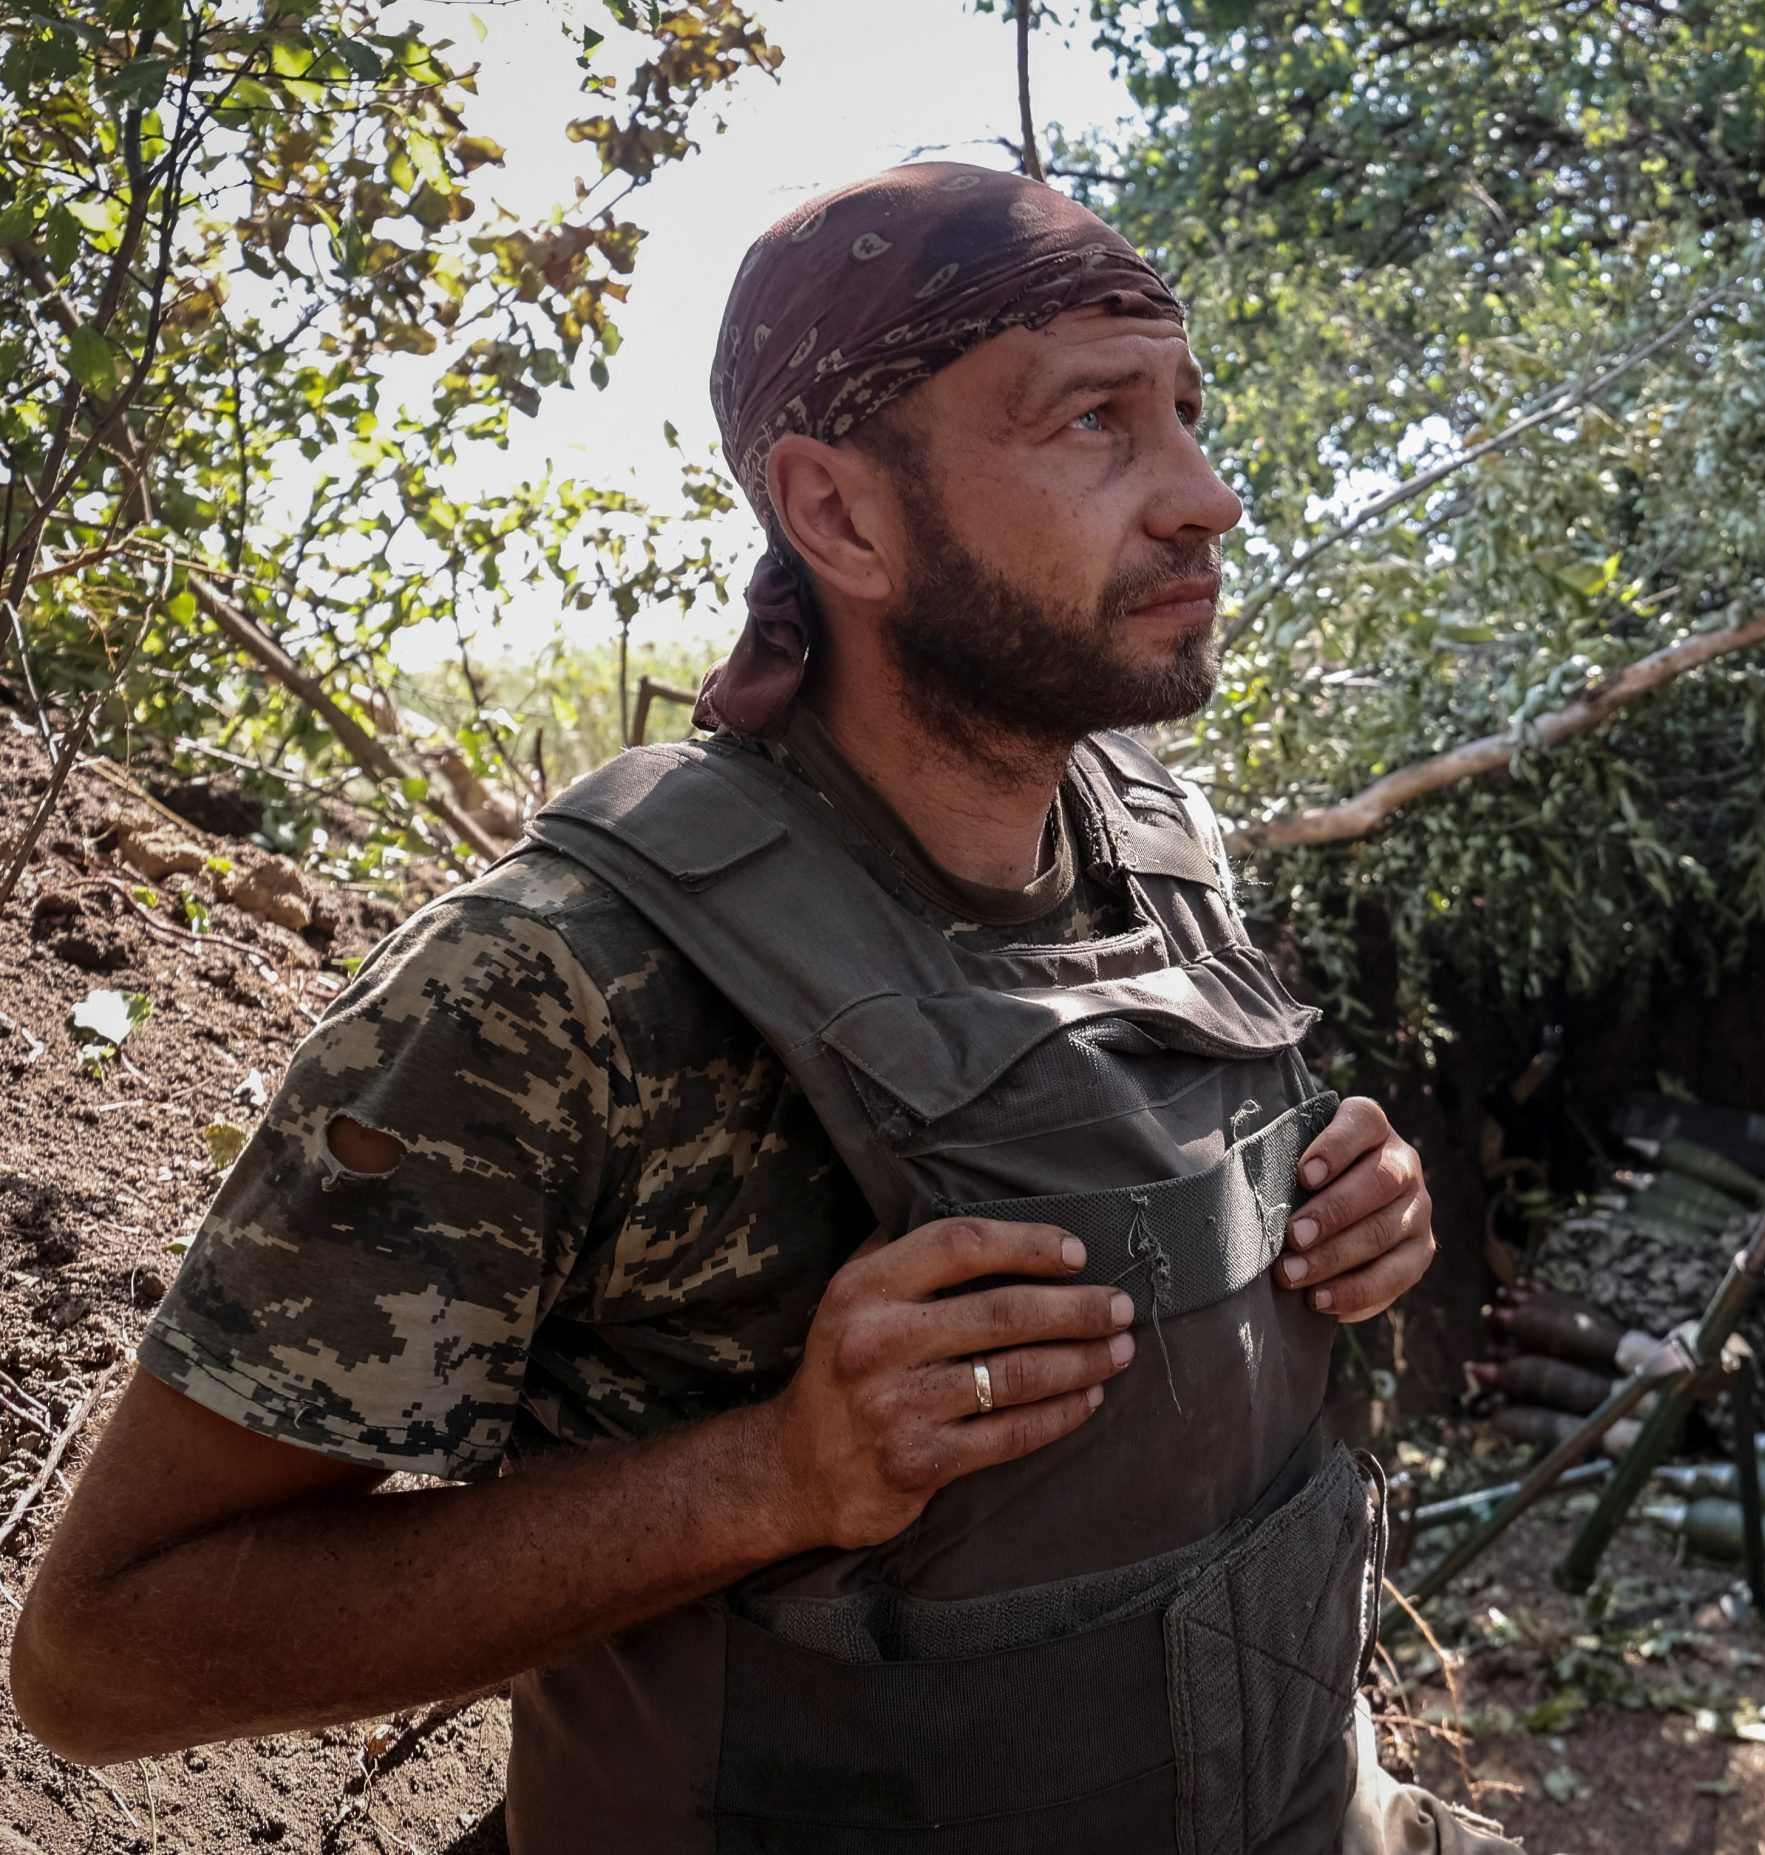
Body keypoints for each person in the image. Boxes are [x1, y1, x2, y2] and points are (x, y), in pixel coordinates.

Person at [13, 164, 1515, 1854]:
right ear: (841, 515)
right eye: (1095, 420)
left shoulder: (1160, 849)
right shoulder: (562, 981)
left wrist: (1332, 1212)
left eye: (1186, 411)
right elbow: (101, 1655)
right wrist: (772, 1477)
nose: (1207, 497)